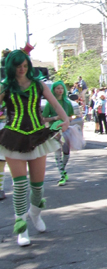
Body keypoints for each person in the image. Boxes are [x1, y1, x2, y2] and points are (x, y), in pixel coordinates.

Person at [0, 49, 69, 246]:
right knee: (20, 186)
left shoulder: (38, 84)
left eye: (25, 66)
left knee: (38, 187)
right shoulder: (5, 87)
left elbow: (55, 104)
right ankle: (21, 226)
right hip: (13, 137)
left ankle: (35, 214)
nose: (22, 69)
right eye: (18, 66)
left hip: (38, 136)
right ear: (11, 67)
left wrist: (64, 119)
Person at [42, 80, 77, 185]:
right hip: (55, 130)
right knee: (57, 153)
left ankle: (63, 170)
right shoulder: (49, 103)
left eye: (61, 88)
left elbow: (72, 116)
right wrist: (55, 117)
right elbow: (44, 118)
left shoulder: (67, 102)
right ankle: (62, 176)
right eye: (57, 88)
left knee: (66, 153)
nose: (60, 90)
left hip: (66, 130)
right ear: (53, 90)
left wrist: (68, 119)